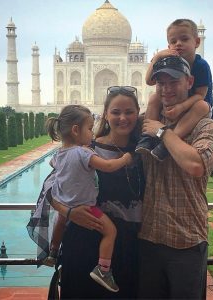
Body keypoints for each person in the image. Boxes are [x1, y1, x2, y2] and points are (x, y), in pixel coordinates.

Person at [27, 104, 134, 293]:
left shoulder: (59, 155)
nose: (91, 133)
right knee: (111, 231)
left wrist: (65, 210)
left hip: (72, 211)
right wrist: (125, 159)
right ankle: (103, 270)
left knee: (60, 222)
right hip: (85, 215)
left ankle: (52, 252)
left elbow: (58, 180)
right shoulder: (85, 151)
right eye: (89, 128)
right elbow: (108, 166)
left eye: (128, 111)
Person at [138, 56, 213, 299]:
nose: (166, 89)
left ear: (189, 81)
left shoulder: (205, 127)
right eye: (161, 83)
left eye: (173, 81)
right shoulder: (147, 122)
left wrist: (162, 133)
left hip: (187, 241)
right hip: (149, 238)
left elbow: (196, 164)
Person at [50, 87, 144, 298]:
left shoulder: (142, 151)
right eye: (116, 112)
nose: (122, 118)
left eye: (129, 112)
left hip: (129, 244)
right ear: (106, 114)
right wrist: (69, 212)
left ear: (137, 113)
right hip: (84, 239)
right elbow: (50, 192)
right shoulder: (85, 149)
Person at [136, 19, 213, 161]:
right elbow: (149, 81)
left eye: (184, 39)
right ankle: (146, 139)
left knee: (201, 106)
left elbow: (200, 95)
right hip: (175, 102)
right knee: (153, 97)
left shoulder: (201, 65)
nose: (178, 44)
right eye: (173, 41)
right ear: (168, 45)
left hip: (196, 106)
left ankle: (166, 144)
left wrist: (181, 107)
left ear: (197, 42)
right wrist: (157, 57)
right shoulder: (169, 61)